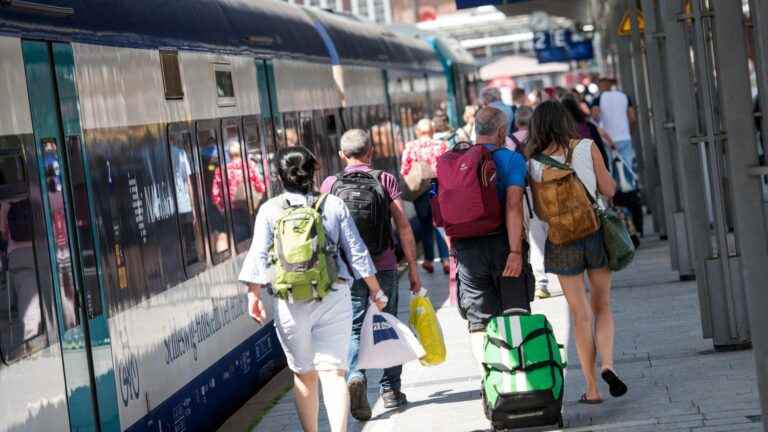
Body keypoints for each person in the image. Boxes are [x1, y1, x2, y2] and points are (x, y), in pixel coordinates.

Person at [239, 146, 387, 432]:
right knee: (333, 373)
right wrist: (376, 291)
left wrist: (253, 294)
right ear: (314, 171)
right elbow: (356, 252)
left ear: (280, 176)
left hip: (290, 301)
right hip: (333, 296)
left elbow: (258, 255)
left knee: (304, 375)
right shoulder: (332, 204)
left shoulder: (270, 210)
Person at [528, 101, 628, 404]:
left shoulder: (533, 163)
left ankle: (592, 389)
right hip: (594, 232)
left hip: (561, 240)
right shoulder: (586, 146)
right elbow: (610, 190)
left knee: (580, 315)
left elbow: (540, 212)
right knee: (602, 307)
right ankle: (608, 365)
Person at [320, 129, 421, 419]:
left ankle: (356, 377)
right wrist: (412, 267)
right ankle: (390, 390)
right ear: (371, 152)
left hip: (347, 271)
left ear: (342, 155)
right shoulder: (384, 179)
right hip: (384, 264)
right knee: (387, 322)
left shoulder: (330, 183)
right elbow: (403, 225)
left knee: (353, 327)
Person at [449, 107, 527, 368]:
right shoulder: (512, 160)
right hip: (504, 243)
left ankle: (491, 376)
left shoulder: (455, 161)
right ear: (502, 131)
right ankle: (518, 375)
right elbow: (514, 206)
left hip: (467, 249)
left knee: (478, 323)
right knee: (515, 312)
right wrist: (515, 251)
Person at [400, 119, 450, 274]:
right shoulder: (441, 145)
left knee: (425, 225)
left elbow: (404, 170)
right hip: (438, 188)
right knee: (440, 223)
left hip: (420, 191)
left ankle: (428, 260)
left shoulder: (410, 147)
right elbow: (449, 167)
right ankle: (446, 259)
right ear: (432, 131)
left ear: (417, 132)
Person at [212, 141, 266, 243]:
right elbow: (260, 187)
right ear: (241, 153)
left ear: (229, 155)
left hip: (232, 212)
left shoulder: (220, 171)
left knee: (239, 240)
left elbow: (215, 196)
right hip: (251, 207)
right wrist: (258, 199)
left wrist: (223, 209)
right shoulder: (250, 166)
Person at [591, 78, 637, 169]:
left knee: (610, 168)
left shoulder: (598, 99)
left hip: (606, 139)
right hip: (624, 137)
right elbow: (632, 118)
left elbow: (594, 117)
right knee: (628, 167)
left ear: (601, 86)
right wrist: (629, 132)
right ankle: (629, 183)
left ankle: (616, 183)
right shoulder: (624, 96)